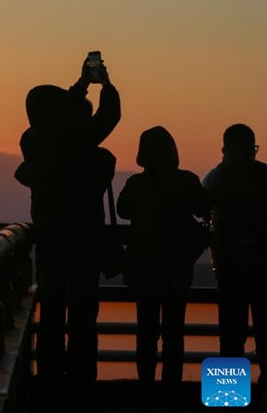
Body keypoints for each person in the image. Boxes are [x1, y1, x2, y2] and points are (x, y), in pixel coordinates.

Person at [15, 55, 121, 408]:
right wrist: (104, 85)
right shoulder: (79, 144)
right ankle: (80, 383)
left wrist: (78, 88)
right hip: (84, 241)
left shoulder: (32, 142)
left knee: (51, 313)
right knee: (82, 317)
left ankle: (47, 382)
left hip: (49, 242)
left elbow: (62, 122)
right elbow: (108, 117)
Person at [116, 126, 211, 413]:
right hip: (177, 269)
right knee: (174, 334)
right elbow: (205, 209)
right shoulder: (187, 181)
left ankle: (146, 391)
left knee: (146, 333)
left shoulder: (135, 185)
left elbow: (123, 211)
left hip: (144, 270)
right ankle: (172, 393)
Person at [203, 123, 267, 408]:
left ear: (224, 149)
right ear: (250, 148)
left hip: (227, 269)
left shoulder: (214, 178)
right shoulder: (263, 175)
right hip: (263, 268)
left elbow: (201, 210)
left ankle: (227, 401)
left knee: (230, 338)